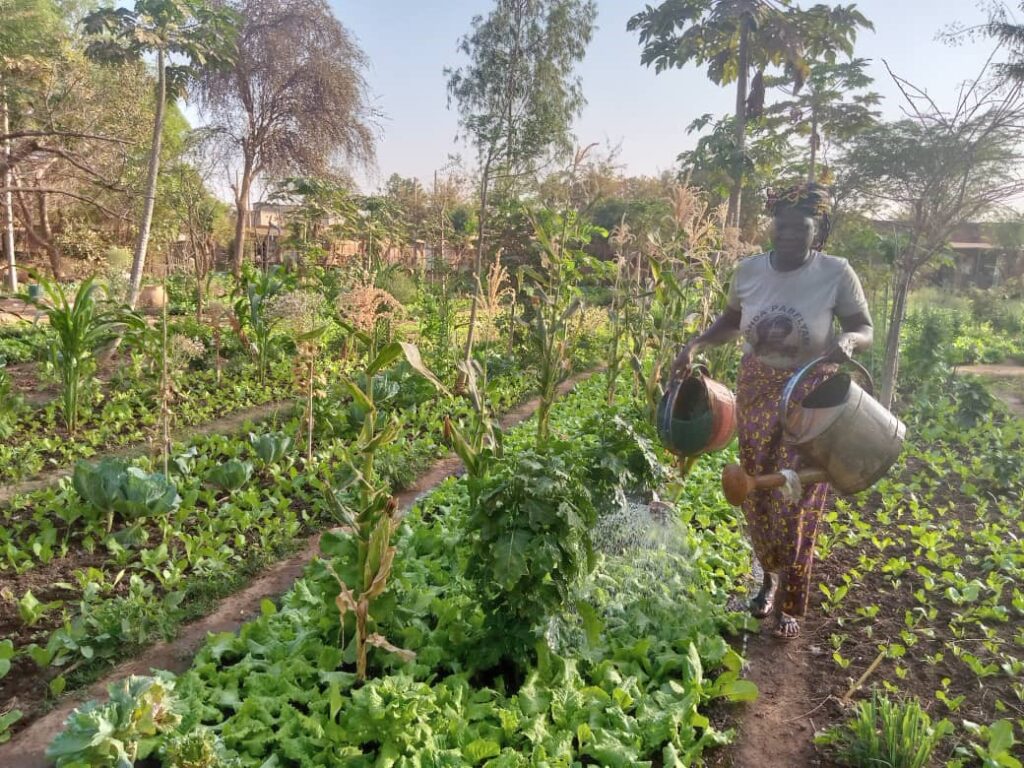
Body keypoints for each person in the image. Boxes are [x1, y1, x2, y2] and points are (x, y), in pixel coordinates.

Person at [672, 183, 873, 639]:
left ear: (815, 229)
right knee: (758, 490)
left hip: (811, 392)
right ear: (771, 226)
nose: (787, 236)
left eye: (798, 228)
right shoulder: (748, 273)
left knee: (799, 492)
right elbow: (731, 321)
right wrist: (696, 342)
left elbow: (863, 327)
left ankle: (791, 600)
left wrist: (849, 341)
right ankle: (766, 580)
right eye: (779, 227)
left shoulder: (836, 273)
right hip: (758, 388)